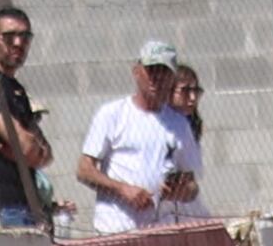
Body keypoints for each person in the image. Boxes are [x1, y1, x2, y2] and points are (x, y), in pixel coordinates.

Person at [78, 39, 204, 233]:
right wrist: (123, 190)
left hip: (161, 231)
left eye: (164, 72)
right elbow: (84, 170)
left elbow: (191, 186)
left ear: (172, 78)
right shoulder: (112, 114)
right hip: (116, 229)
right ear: (137, 71)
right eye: (151, 70)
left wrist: (181, 190)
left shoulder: (179, 124)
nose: (157, 78)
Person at [0, 5, 54, 230]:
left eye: (24, 36)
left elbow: (44, 155)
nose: (18, 43)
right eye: (9, 37)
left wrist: (29, 147)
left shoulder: (15, 89)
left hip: (24, 205)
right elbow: (28, 148)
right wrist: (29, 147)